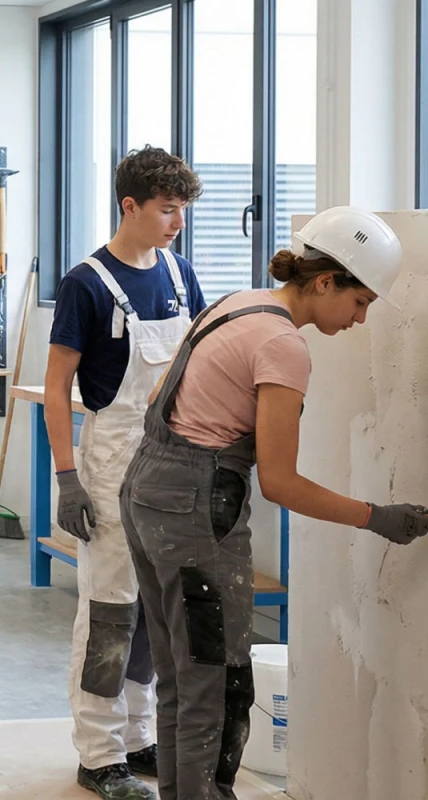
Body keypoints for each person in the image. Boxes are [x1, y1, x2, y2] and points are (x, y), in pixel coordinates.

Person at [120, 206, 428, 800]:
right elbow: (280, 484)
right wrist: (379, 518)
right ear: (325, 281)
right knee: (219, 687)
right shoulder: (284, 345)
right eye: (360, 301)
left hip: (146, 492)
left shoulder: (236, 303)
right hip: (194, 515)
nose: (361, 319)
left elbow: (162, 395)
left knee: (182, 678)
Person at [46, 147, 206, 800]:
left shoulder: (179, 274)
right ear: (130, 206)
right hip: (110, 469)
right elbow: (56, 388)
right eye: (168, 210)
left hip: (172, 466)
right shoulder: (86, 284)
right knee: (111, 612)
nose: (178, 223)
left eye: (183, 210)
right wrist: (66, 478)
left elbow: (194, 369)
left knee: (154, 613)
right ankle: (99, 753)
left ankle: (138, 738)